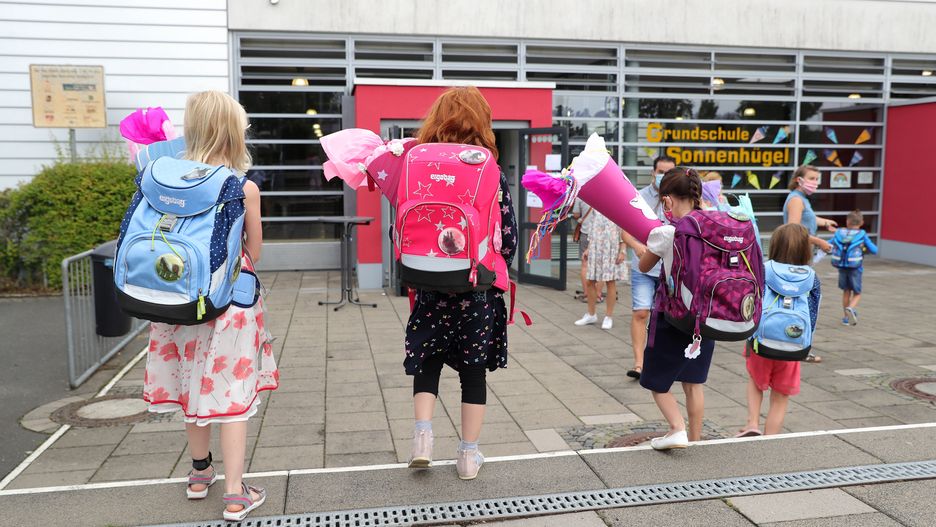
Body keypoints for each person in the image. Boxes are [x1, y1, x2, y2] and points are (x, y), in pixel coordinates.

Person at [142, 91, 277, 522]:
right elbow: (253, 251)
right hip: (226, 305)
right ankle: (236, 494)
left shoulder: (160, 178)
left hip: (175, 300)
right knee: (229, 392)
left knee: (189, 383)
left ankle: (200, 474)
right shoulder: (242, 186)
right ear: (234, 132)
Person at [405, 87, 518, 480]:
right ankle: (468, 457)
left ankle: (422, 438)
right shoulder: (487, 167)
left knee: (427, 360)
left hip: (428, 282)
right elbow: (508, 236)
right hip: (476, 288)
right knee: (473, 372)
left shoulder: (415, 160)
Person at [637, 167, 713, 450]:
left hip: (673, 318)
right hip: (706, 317)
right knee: (693, 382)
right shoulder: (715, 225)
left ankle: (676, 428)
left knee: (656, 380)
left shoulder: (668, 232)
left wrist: (642, 248)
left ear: (667, 201)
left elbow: (644, 266)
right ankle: (695, 441)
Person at [739, 223, 821, 436]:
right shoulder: (812, 278)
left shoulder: (764, 269)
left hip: (760, 341)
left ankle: (752, 423)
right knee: (781, 395)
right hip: (793, 345)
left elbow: (751, 302)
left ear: (774, 245)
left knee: (756, 383)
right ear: (805, 249)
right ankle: (770, 437)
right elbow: (812, 316)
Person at [620, 155, 676, 379]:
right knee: (641, 312)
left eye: (668, 173)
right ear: (653, 172)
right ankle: (639, 364)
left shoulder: (679, 199)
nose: (663, 176)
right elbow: (625, 230)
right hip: (644, 267)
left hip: (670, 269)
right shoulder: (639, 197)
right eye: (660, 172)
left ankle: (663, 362)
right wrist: (636, 246)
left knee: (667, 318)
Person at [783, 165, 836, 363]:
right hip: (796, 258)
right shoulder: (796, 200)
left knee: (802, 302)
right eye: (812, 178)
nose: (815, 182)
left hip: (802, 257)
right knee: (802, 303)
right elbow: (794, 229)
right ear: (799, 179)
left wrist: (824, 223)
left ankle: (796, 344)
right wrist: (820, 242)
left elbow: (808, 218)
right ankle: (797, 345)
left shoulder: (802, 199)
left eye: (817, 178)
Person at [574, 209, 629, 330]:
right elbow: (593, 229)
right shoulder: (596, 206)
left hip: (612, 247)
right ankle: (591, 314)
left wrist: (623, 250)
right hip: (596, 248)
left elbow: (624, 230)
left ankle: (608, 317)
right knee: (590, 281)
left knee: (610, 282)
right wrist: (589, 248)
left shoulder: (619, 207)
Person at [833, 209, 878, 325]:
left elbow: (829, 243)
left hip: (842, 267)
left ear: (847, 222)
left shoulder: (839, 233)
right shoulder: (862, 234)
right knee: (857, 293)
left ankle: (846, 318)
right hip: (856, 268)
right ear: (861, 222)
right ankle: (851, 307)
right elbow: (874, 250)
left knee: (846, 291)